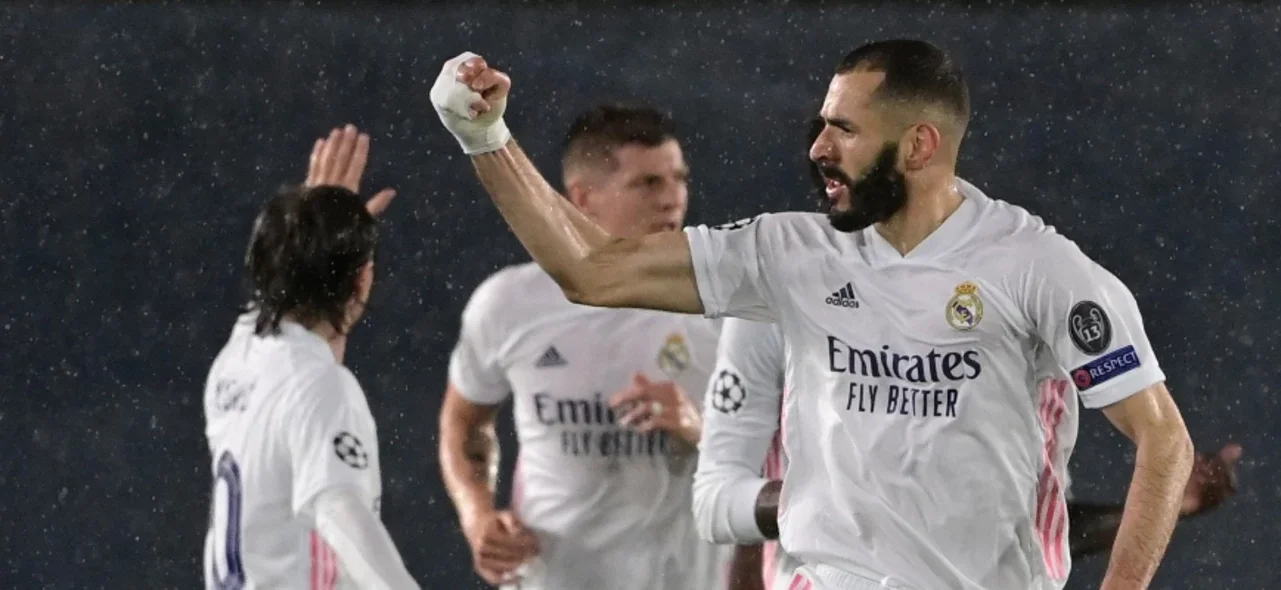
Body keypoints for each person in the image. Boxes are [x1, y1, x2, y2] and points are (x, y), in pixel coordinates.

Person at [429, 38, 1197, 590]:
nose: (819, 147)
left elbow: (1162, 440)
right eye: (822, 123)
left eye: (845, 130)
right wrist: (484, 136)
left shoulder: (1037, 269)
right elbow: (592, 270)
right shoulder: (788, 253)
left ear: (919, 146)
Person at [693, 318, 1243, 589]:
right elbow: (724, 500)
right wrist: (839, 503)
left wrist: (1163, 505)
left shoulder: (1027, 310)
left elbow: (1039, 536)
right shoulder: (782, 296)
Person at [437, 104, 741, 590]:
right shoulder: (510, 304)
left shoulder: (725, 307)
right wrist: (478, 517)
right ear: (582, 198)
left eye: (679, 179)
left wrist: (700, 427)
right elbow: (465, 422)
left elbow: (781, 455)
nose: (673, 199)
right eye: (648, 183)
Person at [201, 125, 418, 590]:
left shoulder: (236, 361)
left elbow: (290, 320)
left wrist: (313, 230)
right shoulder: (321, 388)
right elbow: (341, 514)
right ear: (363, 280)